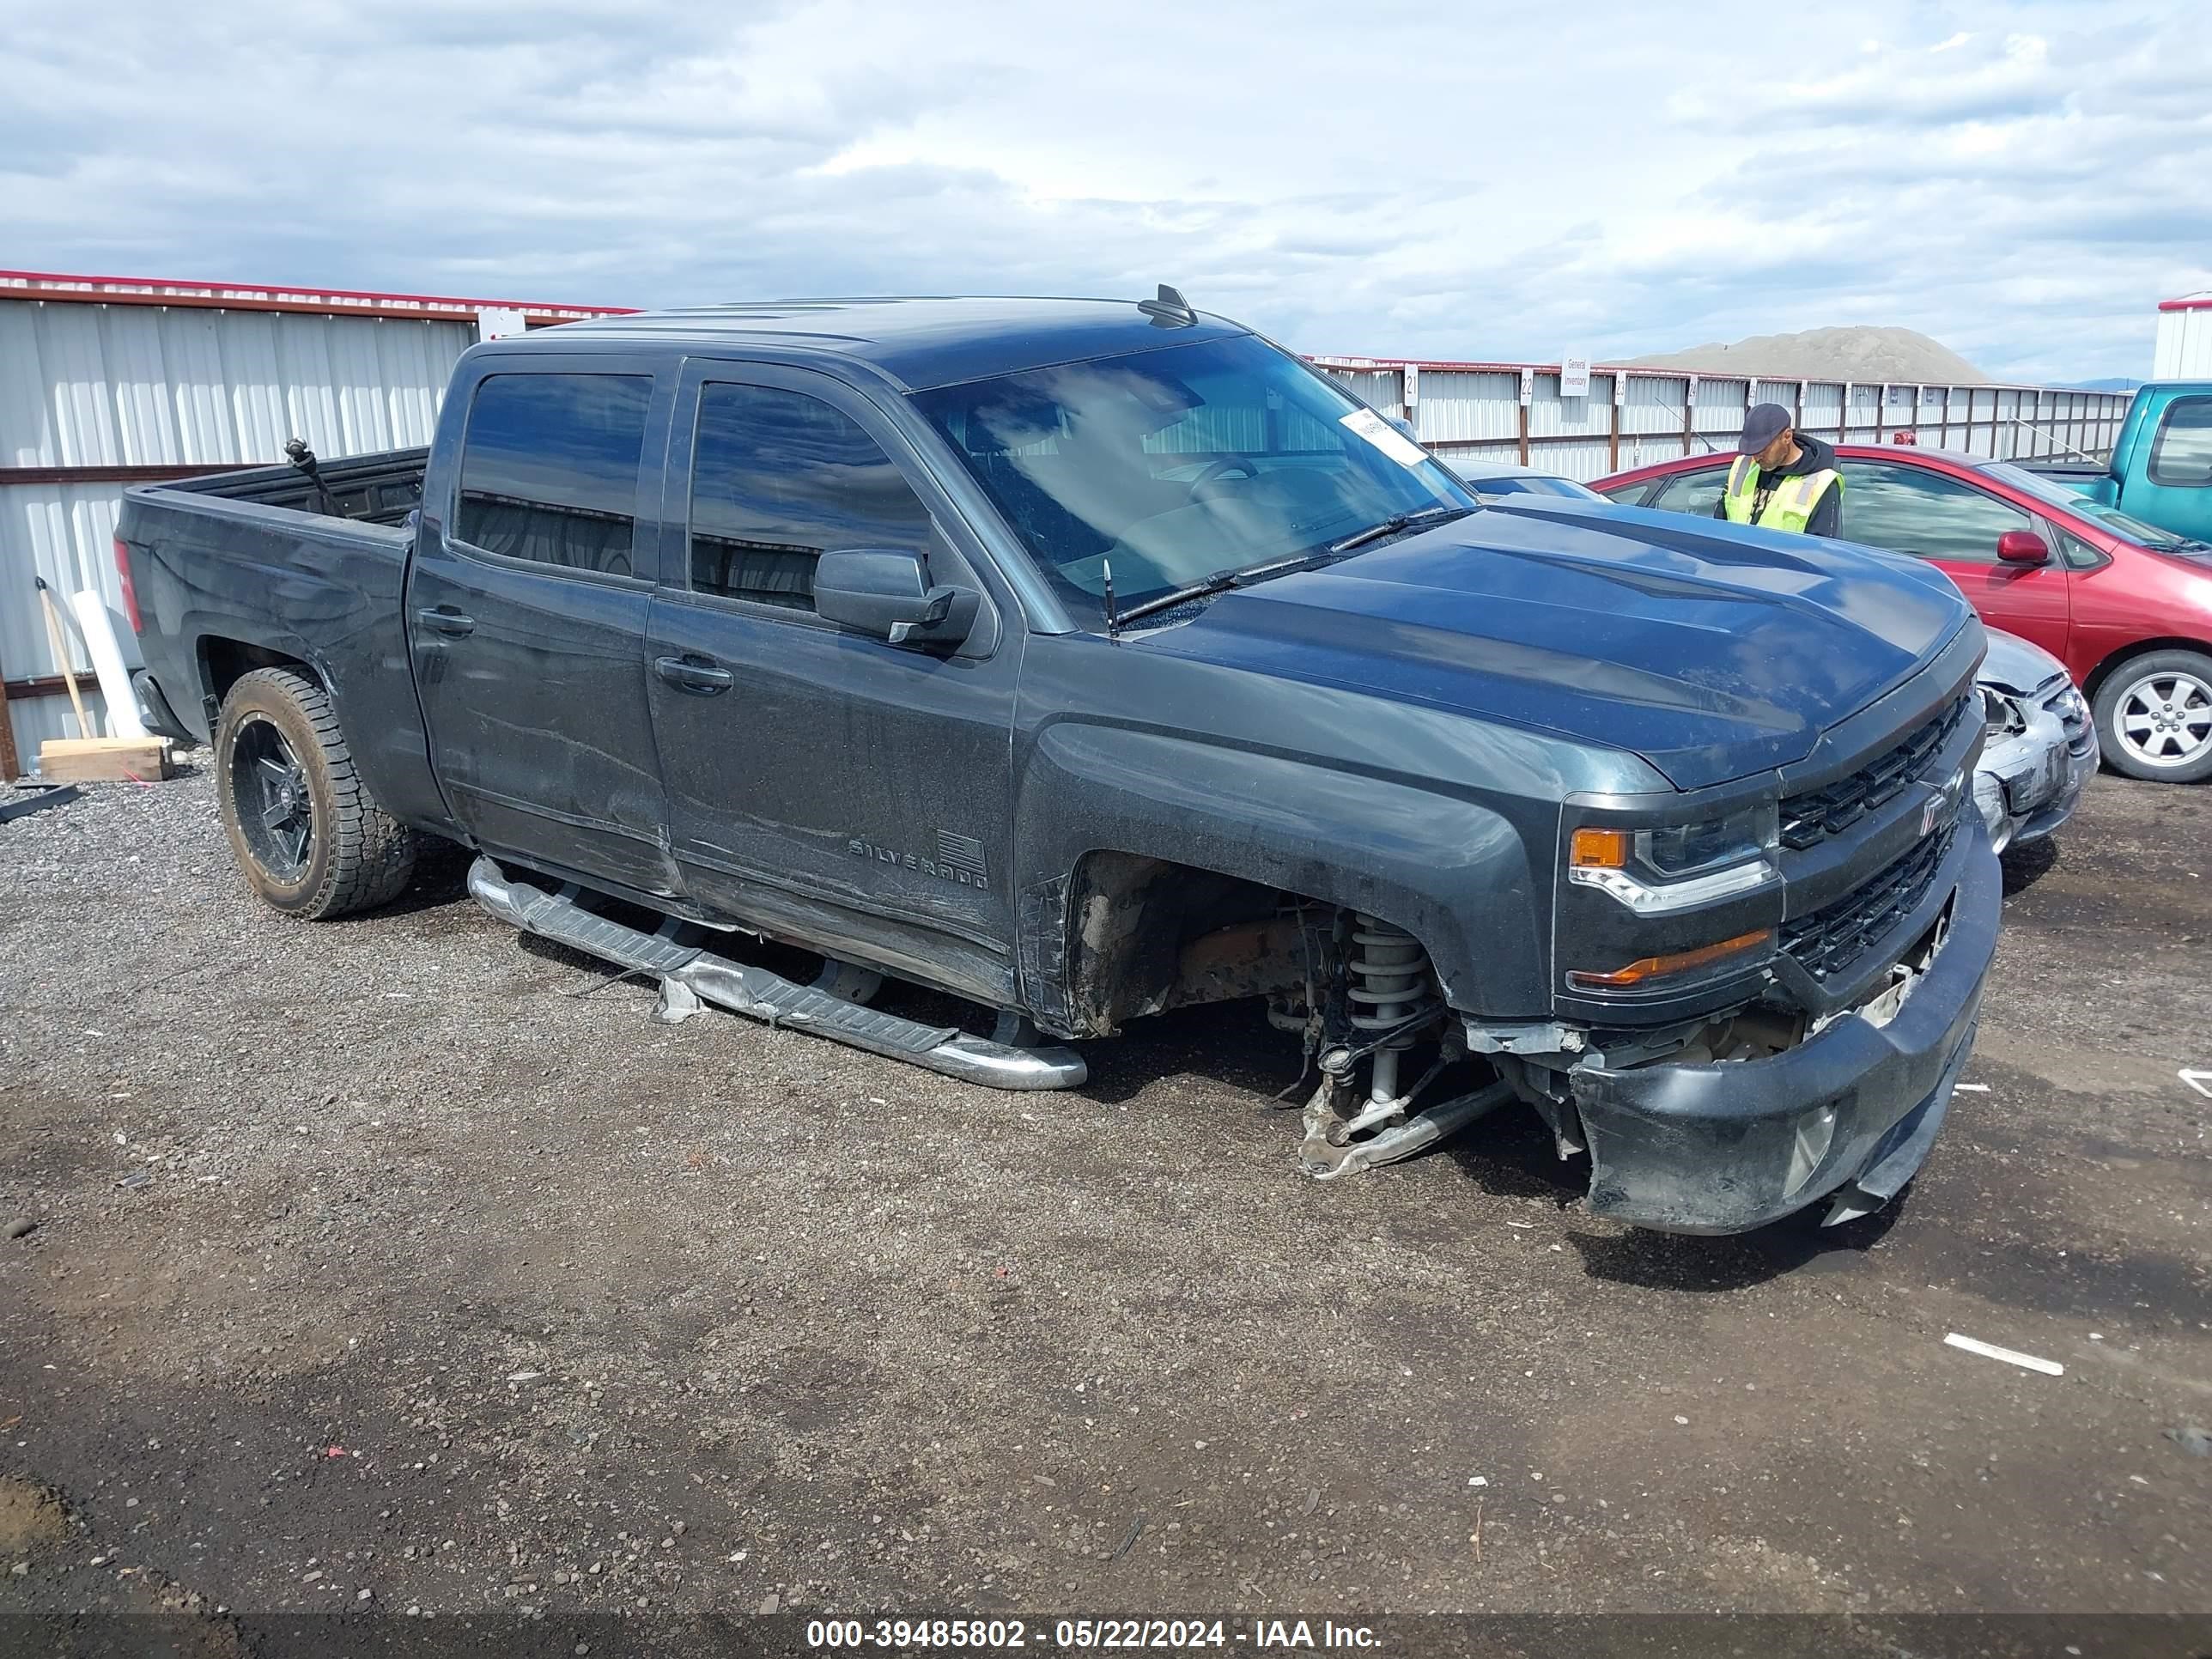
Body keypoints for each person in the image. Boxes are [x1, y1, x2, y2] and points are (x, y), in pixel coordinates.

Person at [1712, 402, 1843, 537]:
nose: (1756, 458)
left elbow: (1819, 550)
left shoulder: (1820, 482)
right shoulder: (1743, 467)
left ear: (1787, 437)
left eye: (1763, 449)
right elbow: (1720, 522)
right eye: (1753, 450)